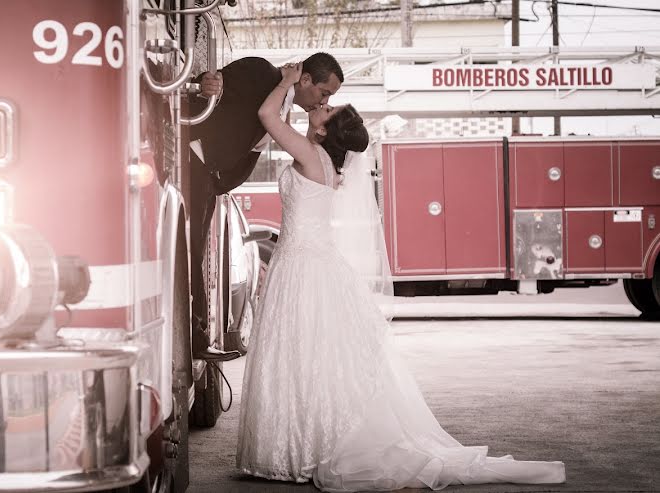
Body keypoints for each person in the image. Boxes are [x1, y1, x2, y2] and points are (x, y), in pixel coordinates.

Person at [236, 63, 567, 491]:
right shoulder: (320, 159)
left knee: (301, 355)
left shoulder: (308, 154)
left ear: (322, 133)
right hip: (312, 265)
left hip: (302, 268)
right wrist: (296, 96)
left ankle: (300, 447)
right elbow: (278, 123)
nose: (324, 105)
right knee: (312, 358)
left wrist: (286, 80)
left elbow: (267, 118)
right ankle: (303, 443)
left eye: (328, 111)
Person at [188, 53, 344, 362]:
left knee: (195, 251)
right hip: (194, 160)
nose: (321, 100)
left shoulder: (284, 104)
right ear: (307, 79)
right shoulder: (259, 72)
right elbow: (210, 87)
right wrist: (204, 84)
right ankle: (196, 337)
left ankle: (198, 338)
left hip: (209, 178)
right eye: (324, 93)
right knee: (190, 252)